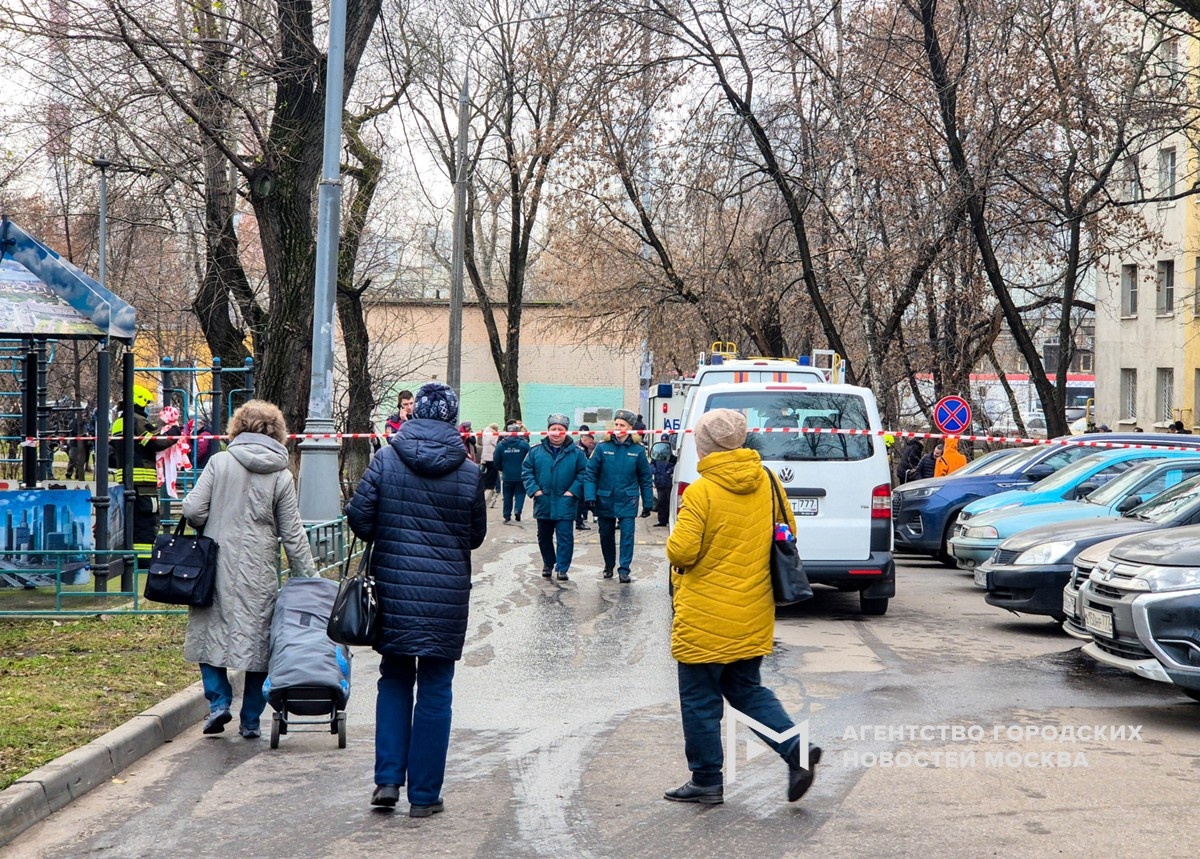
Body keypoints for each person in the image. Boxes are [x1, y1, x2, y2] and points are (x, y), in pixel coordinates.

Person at [345, 382, 487, 817]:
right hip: (445, 598)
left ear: (413, 414)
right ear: (450, 419)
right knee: (436, 690)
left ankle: (387, 780)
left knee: (394, 679)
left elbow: (360, 520)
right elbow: (476, 536)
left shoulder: (387, 459)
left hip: (394, 590)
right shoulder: (468, 471)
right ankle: (425, 796)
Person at [664, 408, 819, 806]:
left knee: (700, 699)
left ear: (704, 446)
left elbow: (682, 550)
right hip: (753, 607)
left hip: (704, 614)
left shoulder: (701, 491)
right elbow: (788, 531)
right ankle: (795, 749)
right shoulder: (766, 481)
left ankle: (706, 780)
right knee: (747, 688)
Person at [181, 400, 317, 740]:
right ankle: (251, 719)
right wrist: (309, 579)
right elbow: (293, 533)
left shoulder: (220, 462)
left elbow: (194, 511)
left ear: (237, 428)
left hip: (214, 566)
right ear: (277, 433)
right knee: (260, 645)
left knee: (209, 634)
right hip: (259, 572)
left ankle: (218, 702)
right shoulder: (281, 475)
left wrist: (203, 515)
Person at [584, 409, 654, 582]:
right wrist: (590, 496)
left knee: (627, 536)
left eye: (622, 425)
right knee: (606, 535)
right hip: (605, 498)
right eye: (616, 424)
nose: (618, 427)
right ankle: (609, 565)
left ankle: (624, 570)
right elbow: (590, 473)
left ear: (630, 428)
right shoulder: (602, 447)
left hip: (628, 499)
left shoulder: (637, 450)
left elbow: (645, 478)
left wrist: (648, 502)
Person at [111, 384, 178, 557]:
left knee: (131, 521)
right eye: (146, 403)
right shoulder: (137, 420)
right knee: (146, 522)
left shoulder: (119, 421)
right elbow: (155, 443)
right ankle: (144, 560)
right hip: (143, 484)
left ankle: (131, 557)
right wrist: (174, 432)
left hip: (125, 481)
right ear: (139, 401)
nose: (147, 407)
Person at [522, 413, 588, 581]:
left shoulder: (576, 453)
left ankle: (562, 568)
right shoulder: (535, 451)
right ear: (548, 431)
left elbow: (584, 473)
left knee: (565, 537)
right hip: (543, 501)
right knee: (544, 536)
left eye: (560, 429)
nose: (556, 433)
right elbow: (527, 471)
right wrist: (535, 490)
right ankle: (548, 563)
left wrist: (573, 491)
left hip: (565, 502)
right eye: (553, 429)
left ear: (566, 432)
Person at [495, 422, 530, 523]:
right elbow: (530, 459)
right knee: (520, 493)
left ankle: (506, 515)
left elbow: (496, 460)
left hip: (507, 475)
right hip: (521, 475)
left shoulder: (501, 445)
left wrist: (502, 469)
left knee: (507, 495)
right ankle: (518, 510)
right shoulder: (524, 445)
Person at [576, 425, 596, 531]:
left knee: (582, 502)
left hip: (581, 478)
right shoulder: (580, 450)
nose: (591, 444)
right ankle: (579, 522)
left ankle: (582, 519)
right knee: (581, 502)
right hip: (580, 479)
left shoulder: (582, 449)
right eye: (590, 442)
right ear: (584, 439)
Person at [651, 443, 675, 528]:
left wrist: (669, 471)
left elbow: (675, 465)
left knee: (669, 502)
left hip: (668, 482)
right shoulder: (657, 455)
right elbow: (651, 465)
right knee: (661, 502)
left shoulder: (671, 456)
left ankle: (669, 519)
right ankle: (662, 520)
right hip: (660, 482)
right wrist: (654, 471)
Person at [480, 423, 501, 507]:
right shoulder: (491, 434)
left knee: (487, 472)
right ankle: (491, 487)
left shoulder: (485, 433)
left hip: (485, 456)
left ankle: (487, 486)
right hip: (491, 456)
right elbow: (496, 443)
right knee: (493, 473)